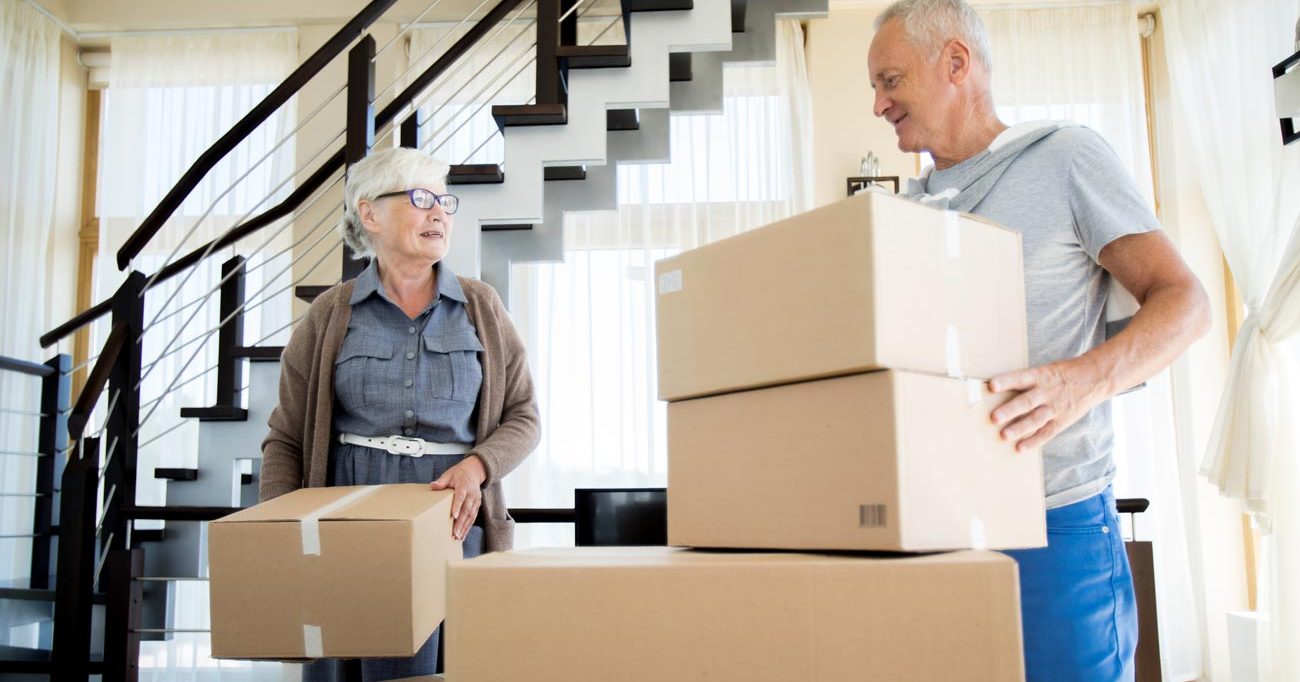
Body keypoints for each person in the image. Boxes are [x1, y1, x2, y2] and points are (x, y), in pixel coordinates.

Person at [867, 1, 1211, 680]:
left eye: (891, 80)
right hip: (935, 533)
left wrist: (1080, 380)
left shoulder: (1065, 159)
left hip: (1055, 528)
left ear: (956, 63)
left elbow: (1187, 302)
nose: (878, 104)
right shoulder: (901, 213)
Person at [259, 146, 540, 681]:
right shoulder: (329, 314)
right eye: (420, 198)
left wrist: (477, 467)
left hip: (452, 520)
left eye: (443, 201)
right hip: (345, 521)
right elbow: (286, 438)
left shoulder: (482, 306)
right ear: (370, 214)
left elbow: (524, 417)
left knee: (442, 666)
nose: (439, 212)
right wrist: (280, 534)